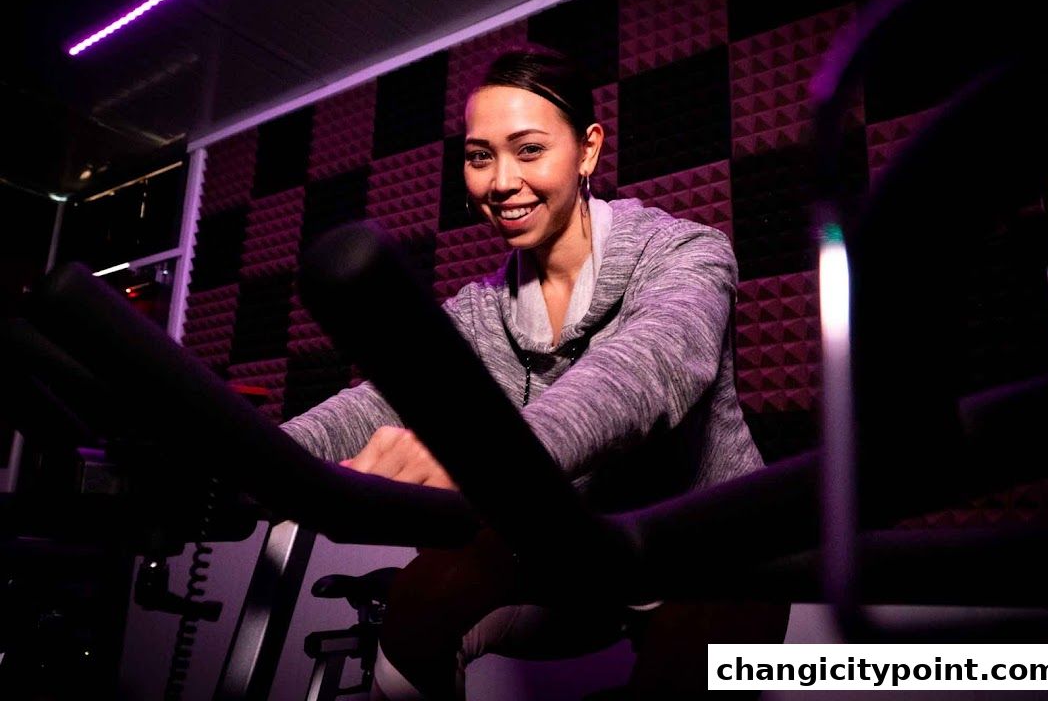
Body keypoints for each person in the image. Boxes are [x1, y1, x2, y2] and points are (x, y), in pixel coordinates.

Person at [282, 47, 784, 700]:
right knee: (416, 605)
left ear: (587, 150)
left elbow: (648, 369)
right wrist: (254, 457)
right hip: (585, 558)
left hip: (712, 558)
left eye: (528, 150)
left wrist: (484, 461)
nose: (500, 181)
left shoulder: (686, 253)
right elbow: (382, 401)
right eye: (480, 155)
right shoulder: (482, 310)